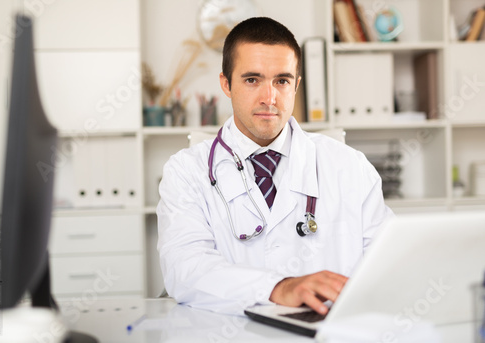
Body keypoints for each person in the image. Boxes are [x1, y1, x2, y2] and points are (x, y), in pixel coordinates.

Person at [157, 17, 394, 315]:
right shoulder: (185, 172)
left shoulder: (351, 167)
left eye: (281, 81)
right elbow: (185, 270)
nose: (269, 98)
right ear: (226, 84)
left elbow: (388, 264)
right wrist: (278, 288)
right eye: (252, 80)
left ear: (296, 85)